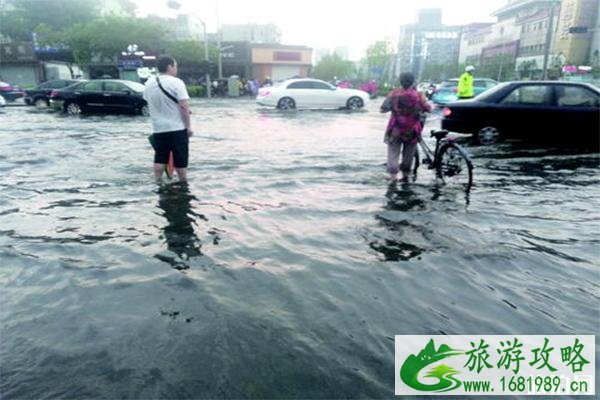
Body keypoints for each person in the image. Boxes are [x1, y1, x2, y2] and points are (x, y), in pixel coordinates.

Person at [144, 56, 193, 182]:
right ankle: (183, 183)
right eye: (175, 66)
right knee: (180, 160)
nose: (176, 69)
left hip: (158, 128)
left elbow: (150, 102)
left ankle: (158, 181)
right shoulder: (176, 82)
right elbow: (183, 106)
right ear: (169, 66)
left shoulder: (149, 83)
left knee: (160, 157)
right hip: (177, 128)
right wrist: (188, 127)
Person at [381, 72, 432, 183]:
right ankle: (405, 176)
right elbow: (428, 109)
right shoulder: (419, 95)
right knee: (408, 154)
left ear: (400, 81)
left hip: (396, 129)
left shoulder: (393, 94)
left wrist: (395, 110)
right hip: (412, 130)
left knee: (393, 153)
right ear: (413, 81)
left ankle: (393, 177)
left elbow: (383, 109)